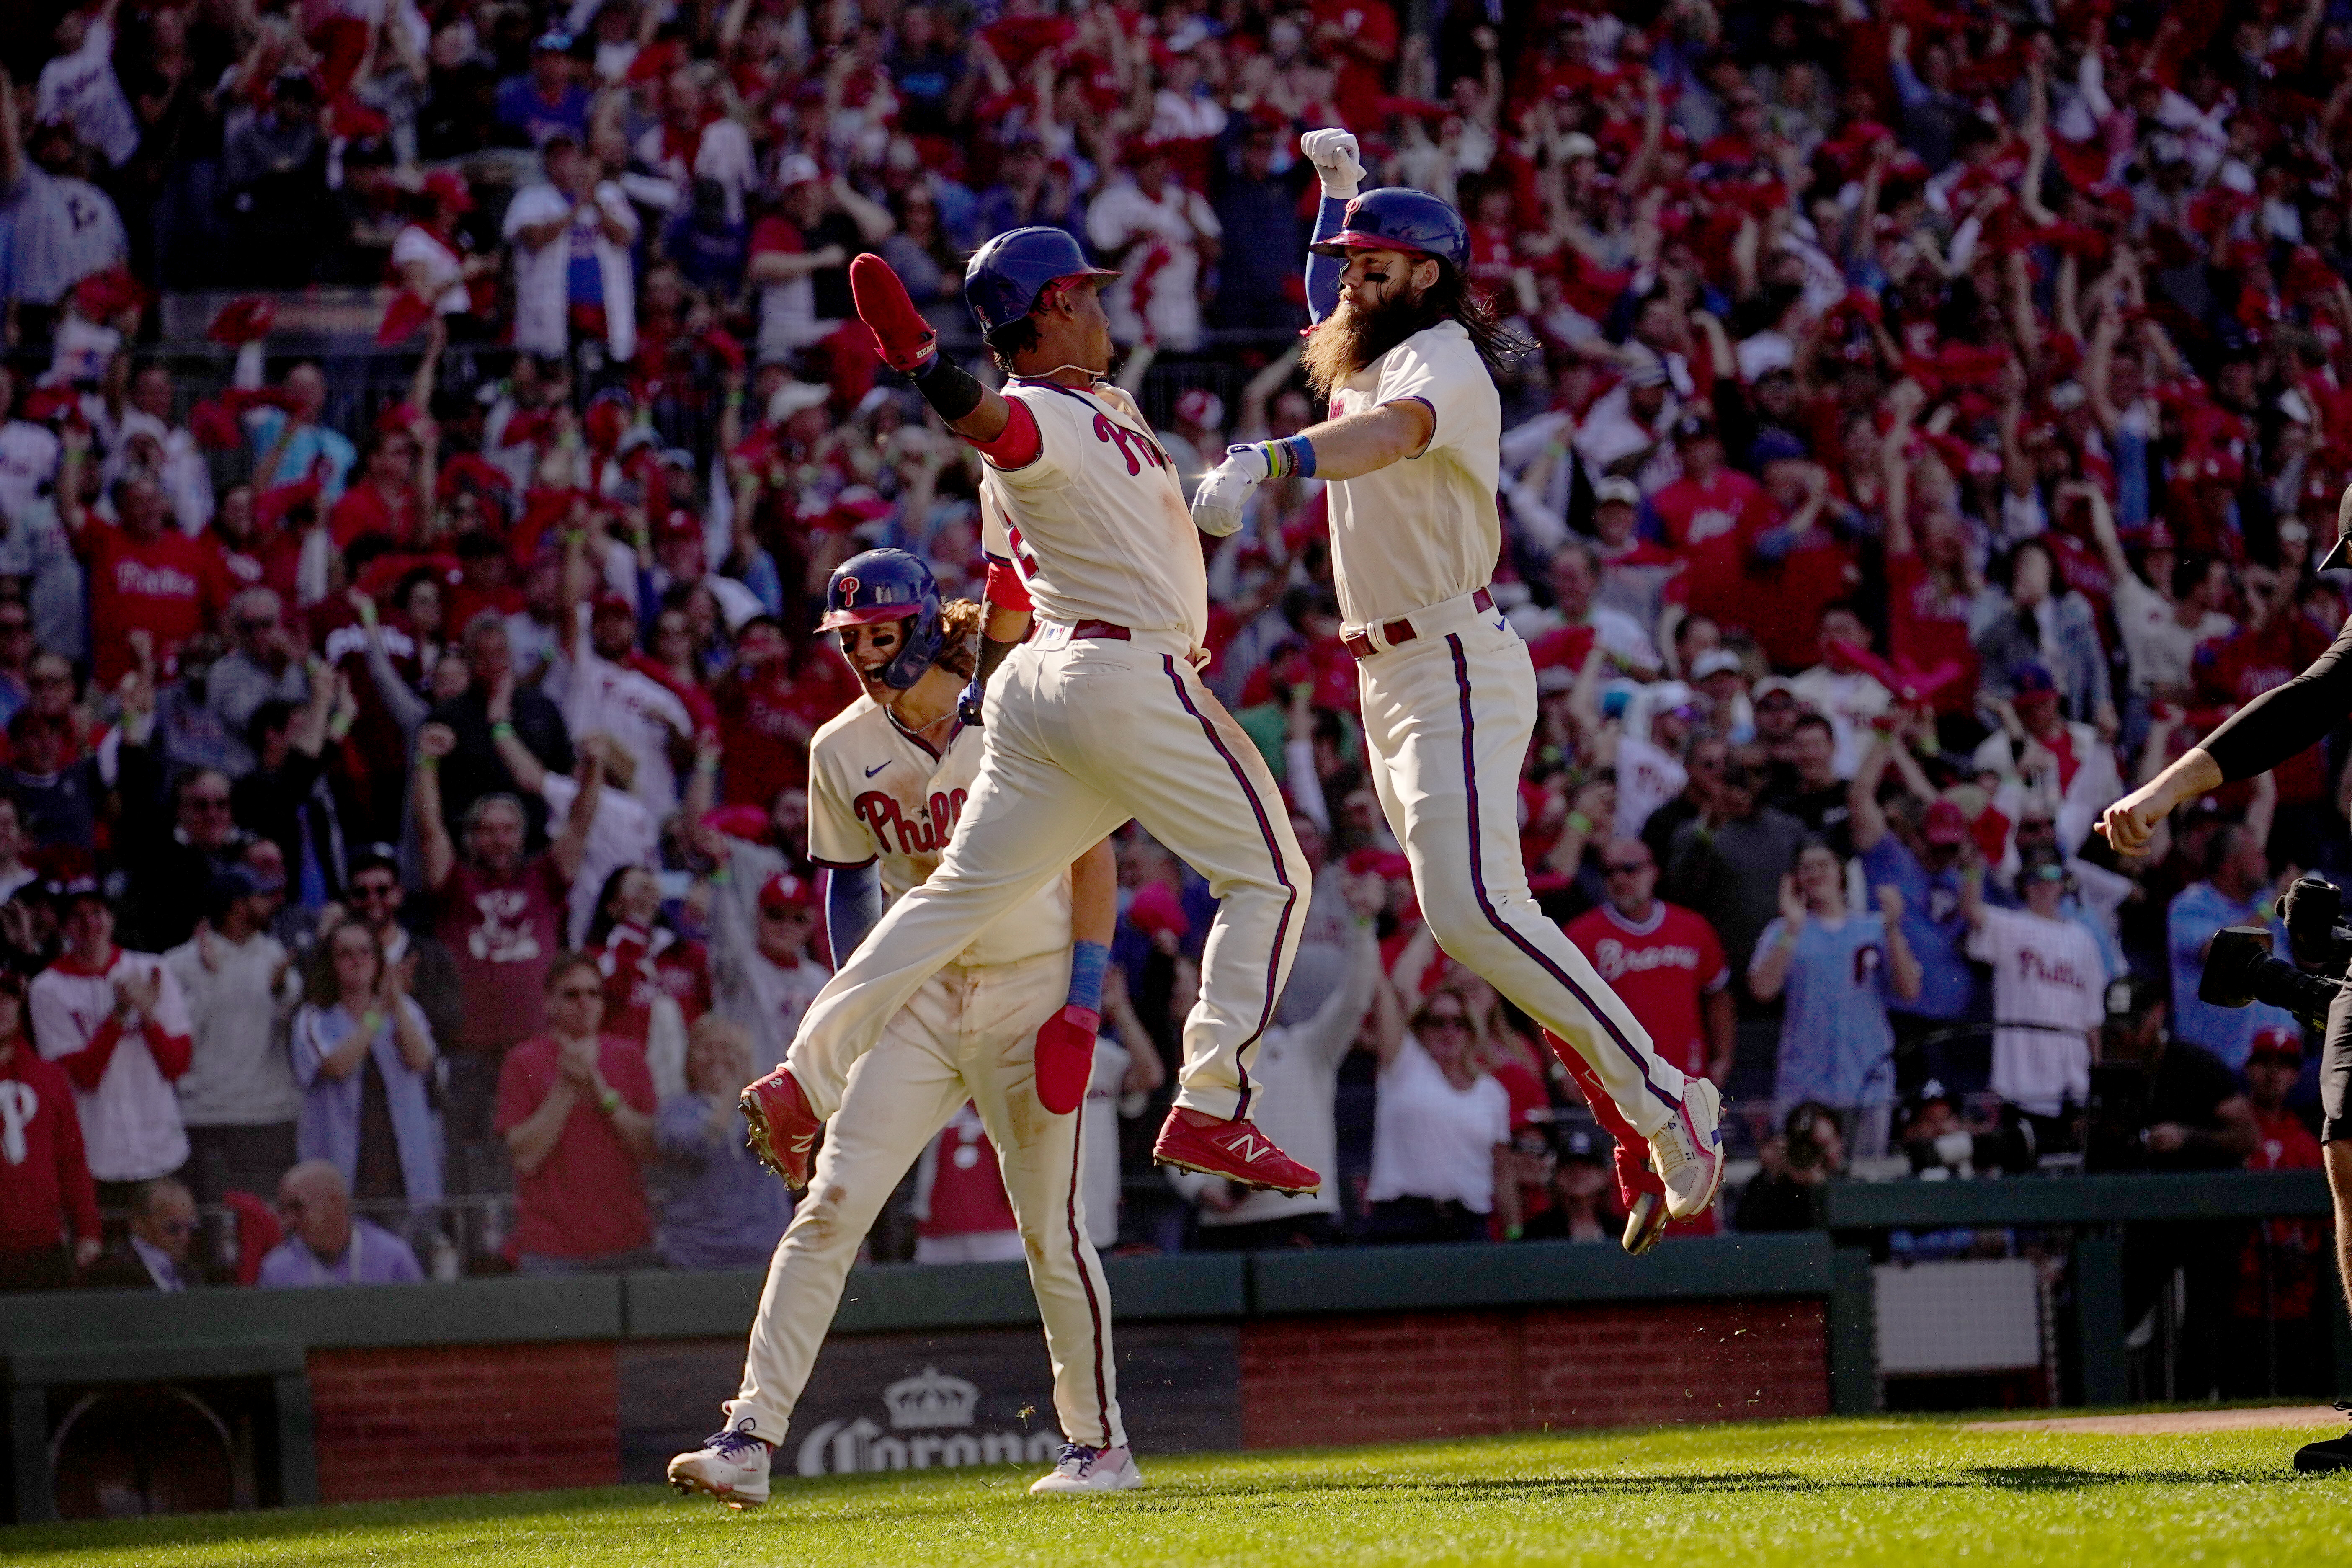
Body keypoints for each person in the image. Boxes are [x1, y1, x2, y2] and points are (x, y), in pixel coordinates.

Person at [1188, 136, 1724, 1223]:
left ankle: (1668, 1100)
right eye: (1347, 262)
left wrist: (1273, 458)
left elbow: (1394, 435)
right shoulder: (1372, 339)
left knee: (1475, 910)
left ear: (1428, 274)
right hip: (1390, 675)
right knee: (1478, 919)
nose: (1351, 277)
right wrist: (1338, 197)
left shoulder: (1440, 357)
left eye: (1372, 262)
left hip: (1450, 662)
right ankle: (1638, 1113)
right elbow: (1325, 312)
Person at [777, 235, 1315, 1199]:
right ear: (1058, 304)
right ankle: (1211, 1102)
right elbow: (999, 429)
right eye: (1092, 296)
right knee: (1273, 877)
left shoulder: (1107, 407)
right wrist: (926, 365)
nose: (1107, 313)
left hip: (1045, 682)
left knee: (952, 899)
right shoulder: (1039, 413)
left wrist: (988, 695)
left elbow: (1002, 583)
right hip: (1124, 669)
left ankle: (797, 1082)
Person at [671, 551, 1140, 1505]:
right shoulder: (839, 745)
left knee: (1050, 1226)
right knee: (833, 1201)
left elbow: (1095, 861)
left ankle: (1100, 1445)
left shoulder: (1017, 705)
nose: (862, 652)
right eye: (849, 637)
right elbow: (848, 880)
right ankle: (750, 1434)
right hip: (922, 998)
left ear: (923, 623)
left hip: (1030, 980)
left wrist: (1085, 998)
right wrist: (864, 997)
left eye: (878, 632)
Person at [413, 719, 597, 1194]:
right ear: (472, 838)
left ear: (522, 834)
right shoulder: (455, 885)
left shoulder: (545, 878)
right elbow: (429, 828)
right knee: (469, 1160)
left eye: (508, 830)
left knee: (544, 1156)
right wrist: (427, 764)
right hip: (469, 1052)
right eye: (487, 831)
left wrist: (594, 769)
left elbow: (579, 823)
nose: (498, 839)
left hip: (536, 1047)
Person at [1164, 873, 1386, 1249]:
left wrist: (1362, 925)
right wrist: (1204, 1190)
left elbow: (1356, 999)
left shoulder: (1309, 1047)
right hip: (1225, 1225)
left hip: (1300, 1219)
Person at [1561, 838, 1735, 1252]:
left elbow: (1719, 995)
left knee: (1694, 1206)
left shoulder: (1692, 928)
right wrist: (1561, 1071)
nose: (1620, 879)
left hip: (1683, 1093)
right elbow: (1551, 1009)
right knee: (1632, 1208)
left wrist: (1723, 1057)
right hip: (1617, 1097)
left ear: (1654, 871)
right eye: (1610, 872)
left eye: (1631, 869)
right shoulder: (1583, 936)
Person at [1748, 841, 1921, 1158]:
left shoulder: (1873, 928)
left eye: (1823, 865)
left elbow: (1909, 990)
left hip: (1867, 1079)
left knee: (1865, 1185)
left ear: (1841, 872)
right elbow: (1763, 989)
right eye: (1806, 867)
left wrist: (1893, 929)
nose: (1815, 874)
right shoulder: (1783, 930)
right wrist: (1793, 926)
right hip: (1805, 1085)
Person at [31, 882, 194, 1206]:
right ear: (64, 927)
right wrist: (118, 1016)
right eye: (78, 917)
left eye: (98, 912)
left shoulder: (153, 969)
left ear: (112, 918)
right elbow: (84, 1076)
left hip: (160, 1144)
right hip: (97, 1153)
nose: (91, 924)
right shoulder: (47, 988)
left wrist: (148, 1016)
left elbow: (177, 1065)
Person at [494, 952, 658, 1272]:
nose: (584, 1003)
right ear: (549, 1002)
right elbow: (525, 1158)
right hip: (548, 1246)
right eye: (572, 994)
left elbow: (651, 1150)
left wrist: (600, 1091)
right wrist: (567, 1087)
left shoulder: (629, 1056)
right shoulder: (522, 1061)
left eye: (593, 993)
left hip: (627, 1240)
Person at [290, 921, 441, 1223]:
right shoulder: (313, 1018)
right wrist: (376, 1015)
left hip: (403, 1172)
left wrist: (395, 1002)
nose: (357, 961)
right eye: (345, 954)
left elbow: (421, 1061)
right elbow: (337, 1066)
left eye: (365, 952)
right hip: (342, 1174)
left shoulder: (405, 1010)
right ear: (331, 965)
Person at [165, 866, 301, 1204]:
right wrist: (209, 978)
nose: (270, 904)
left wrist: (281, 988)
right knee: (212, 1231)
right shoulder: (180, 963)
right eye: (260, 897)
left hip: (267, 1116)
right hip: (203, 1118)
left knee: (265, 1225)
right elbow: (176, 1038)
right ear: (238, 907)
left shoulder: (275, 956)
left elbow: (293, 1020)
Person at [1963, 855, 2110, 1144]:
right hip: (2020, 1080)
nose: (2043, 887)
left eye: (2051, 880)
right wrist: (1972, 868)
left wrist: (2098, 1081)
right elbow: (1970, 910)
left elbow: (2093, 1021)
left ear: (2062, 885)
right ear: (2024, 887)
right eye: (2035, 880)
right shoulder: (2011, 926)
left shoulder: (2085, 940)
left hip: (2073, 1083)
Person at [1360, 976, 1515, 1243]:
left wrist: (1514, 1229)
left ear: (1472, 1031)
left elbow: (1503, 1170)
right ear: (1421, 1028)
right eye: (1438, 1022)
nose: (1449, 1031)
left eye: (1460, 1023)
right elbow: (1386, 992)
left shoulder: (1493, 1093)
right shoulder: (1403, 1064)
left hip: (1468, 1224)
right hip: (1403, 1220)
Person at [654, 1016, 789, 1271]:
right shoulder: (675, 1111)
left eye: (728, 1050)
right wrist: (731, 1094)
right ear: (689, 1061)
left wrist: (751, 1083)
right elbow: (697, 1145)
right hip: (697, 1259)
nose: (718, 1058)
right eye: (707, 1049)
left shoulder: (769, 1107)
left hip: (766, 1255)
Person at [0, 970, 102, 1289]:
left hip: (41, 1246)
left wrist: (88, 1228)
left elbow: (72, 1161)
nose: (1, 1007)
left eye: (7, 997)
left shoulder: (49, 1078)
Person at [257, 1158, 425, 1287]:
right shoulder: (277, 1269)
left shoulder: (393, 1257)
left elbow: (419, 1325)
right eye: (284, 1210)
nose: (288, 1221)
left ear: (335, 1203)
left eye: (297, 1207)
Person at [1732, 1102, 1844, 1231]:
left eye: (1821, 1146)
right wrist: (1771, 1176)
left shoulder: (1848, 1187)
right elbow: (1747, 1228)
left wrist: (1821, 1187)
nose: (1811, 1154)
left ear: (1839, 1144)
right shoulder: (1772, 1187)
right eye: (1804, 1146)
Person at [82, 1175, 199, 1290]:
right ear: (140, 1223)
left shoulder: (190, 1270)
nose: (184, 1237)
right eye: (173, 1228)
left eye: (191, 1227)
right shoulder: (110, 1269)